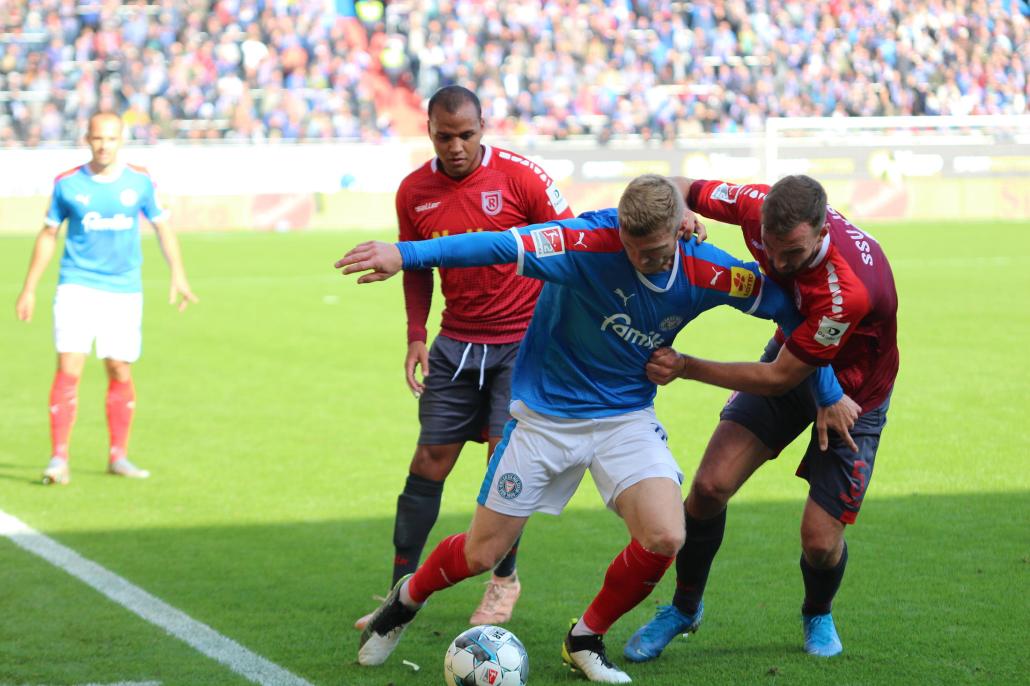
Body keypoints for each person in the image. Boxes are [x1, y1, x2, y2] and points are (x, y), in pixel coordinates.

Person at [336, 174, 858, 683]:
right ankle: (406, 599)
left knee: (666, 534)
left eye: (654, 252)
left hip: (625, 419)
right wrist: (404, 255)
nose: (641, 260)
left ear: (681, 229)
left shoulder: (709, 271)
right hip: (543, 419)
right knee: (482, 554)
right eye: (633, 249)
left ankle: (584, 639)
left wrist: (829, 391)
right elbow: (494, 246)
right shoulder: (584, 241)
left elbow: (790, 310)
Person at [625, 175, 898, 661]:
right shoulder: (754, 203)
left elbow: (778, 378)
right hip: (794, 354)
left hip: (852, 397)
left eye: (792, 253)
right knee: (708, 488)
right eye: (770, 248)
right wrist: (680, 212)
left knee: (819, 542)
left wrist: (686, 366)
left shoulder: (845, 291)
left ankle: (818, 611)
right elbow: (676, 183)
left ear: (821, 228)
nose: (777, 263)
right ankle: (684, 608)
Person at [351, 85, 575, 631]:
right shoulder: (413, 192)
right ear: (429, 131)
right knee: (429, 463)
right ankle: (398, 592)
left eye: (466, 135)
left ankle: (503, 583)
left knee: (505, 466)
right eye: (444, 136)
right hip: (456, 344)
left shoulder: (522, 177)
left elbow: (574, 240)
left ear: (483, 127)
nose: (456, 146)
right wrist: (414, 334)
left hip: (523, 344)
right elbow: (415, 265)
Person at [14, 111, 197, 485]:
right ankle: (58, 458)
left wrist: (178, 274)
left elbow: (162, 226)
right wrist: (30, 287)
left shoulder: (140, 181)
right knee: (69, 368)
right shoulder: (67, 184)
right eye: (98, 138)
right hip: (76, 285)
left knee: (119, 368)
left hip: (124, 290)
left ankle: (118, 456)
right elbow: (48, 234)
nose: (104, 145)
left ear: (121, 140)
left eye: (111, 139)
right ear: (87, 138)